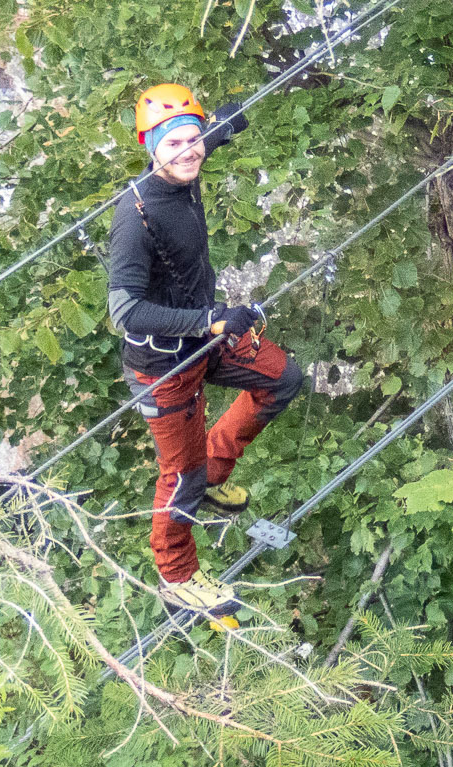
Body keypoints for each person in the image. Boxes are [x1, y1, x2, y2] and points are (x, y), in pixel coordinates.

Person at [106, 82, 305, 616]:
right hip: (163, 365)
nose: (189, 151)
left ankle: (214, 475)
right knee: (181, 475)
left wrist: (229, 122)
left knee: (282, 379)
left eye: (193, 139)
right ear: (151, 148)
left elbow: (201, 138)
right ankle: (177, 576)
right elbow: (124, 311)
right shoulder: (136, 216)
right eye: (174, 144)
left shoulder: (187, 160)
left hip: (204, 338)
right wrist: (209, 320)